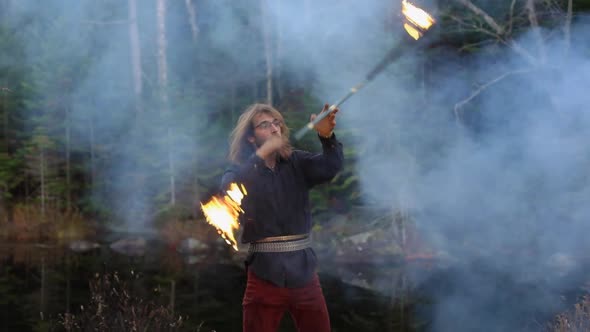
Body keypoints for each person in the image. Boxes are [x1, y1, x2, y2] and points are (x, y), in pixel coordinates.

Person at [220, 103, 343, 332]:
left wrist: (327, 137)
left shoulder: (297, 162)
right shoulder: (239, 170)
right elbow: (230, 188)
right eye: (264, 126)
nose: (274, 129)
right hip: (264, 275)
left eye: (276, 123)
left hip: (305, 273)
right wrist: (262, 155)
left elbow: (330, 167)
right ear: (250, 138)